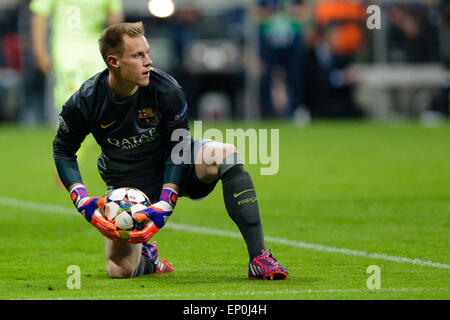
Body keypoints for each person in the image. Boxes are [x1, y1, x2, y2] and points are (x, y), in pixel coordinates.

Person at [53, 22, 289, 280]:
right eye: (138, 55)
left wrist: (166, 200)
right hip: (129, 185)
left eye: (147, 53)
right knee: (119, 270)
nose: (148, 62)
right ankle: (148, 259)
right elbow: (63, 150)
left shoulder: (166, 89)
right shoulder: (86, 101)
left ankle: (258, 257)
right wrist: (83, 201)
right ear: (114, 61)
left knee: (226, 153)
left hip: (177, 165)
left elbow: (180, 145)